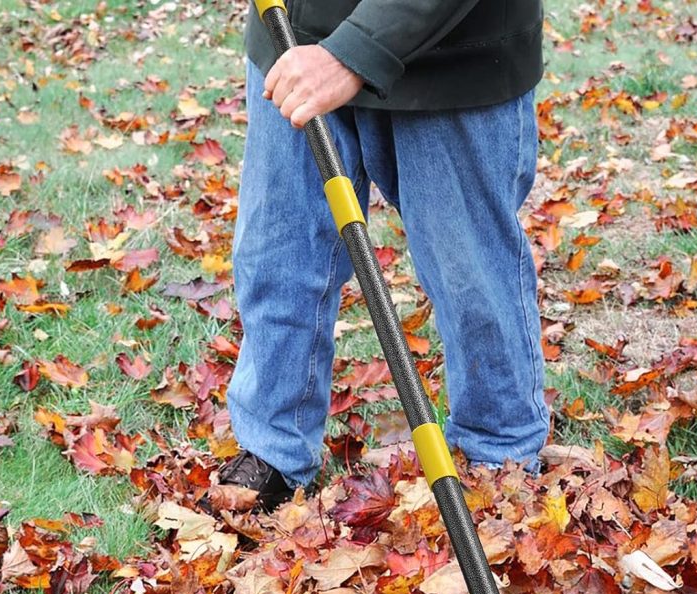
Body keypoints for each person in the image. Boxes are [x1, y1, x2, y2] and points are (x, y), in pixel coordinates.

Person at [215, 0, 549, 511]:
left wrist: (352, 54)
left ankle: (499, 457)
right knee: (278, 255)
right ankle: (272, 447)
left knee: (471, 274)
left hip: (454, 55)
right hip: (295, 36)